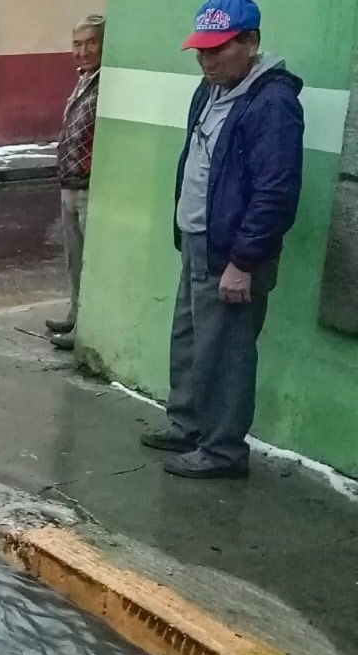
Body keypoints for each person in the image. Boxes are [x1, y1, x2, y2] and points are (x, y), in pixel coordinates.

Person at [141, 0, 304, 479]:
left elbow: (276, 191)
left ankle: (222, 450)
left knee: (226, 353)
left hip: (233, 253)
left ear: (250, 43)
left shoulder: (272, 103)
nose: (206, 61)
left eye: (217, 50)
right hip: (200, 240)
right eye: (201, 51)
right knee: (190, 339)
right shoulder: (210, 90)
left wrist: (244, 261)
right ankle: (187, 424)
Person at [48, 15, 105, 351]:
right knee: (74, 259)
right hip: (69, 183)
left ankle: (85, 327)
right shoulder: (84, 79)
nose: (83, 51)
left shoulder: (105, 83)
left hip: (87, 186)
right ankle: (74, 313)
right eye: (77, 44)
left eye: (91, 43)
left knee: (88, 260)